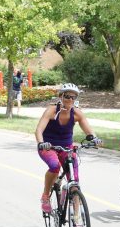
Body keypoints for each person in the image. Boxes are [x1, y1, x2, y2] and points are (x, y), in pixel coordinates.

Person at [35, 83, 102, 215]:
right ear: (60, 96)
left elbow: (89, 131)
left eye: (73, 97)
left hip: (67, 148)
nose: (70, 100)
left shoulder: (77, 113)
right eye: (67, 96)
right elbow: (38, 130)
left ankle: (77, 219)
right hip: (48, 146)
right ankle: (45, 196)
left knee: (75, 183)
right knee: (54, 166)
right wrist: (41, 143)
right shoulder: (52, 110)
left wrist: (94, 138)